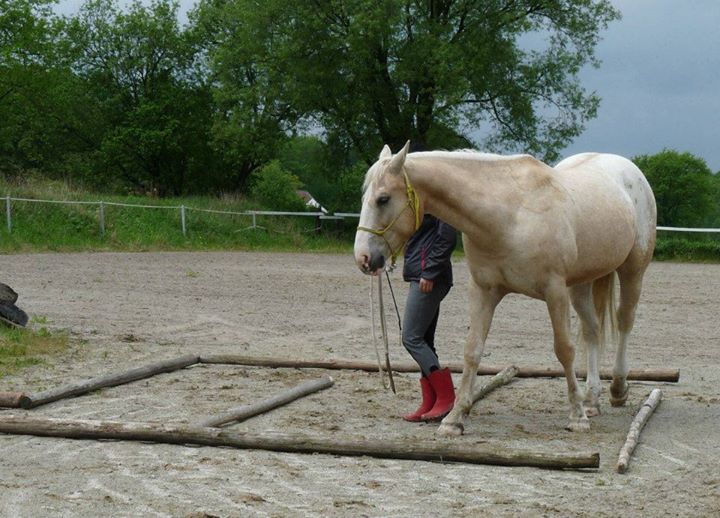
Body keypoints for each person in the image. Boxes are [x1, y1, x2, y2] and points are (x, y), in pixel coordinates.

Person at [401, 213, 458, 422]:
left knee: (411, 338)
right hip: (421, 273)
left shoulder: (436, 198)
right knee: (424, 340)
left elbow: (448, 237)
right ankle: (431, 400)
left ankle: (446, 396)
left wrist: (430, 271)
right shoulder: (418, 198)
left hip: (428, 278)